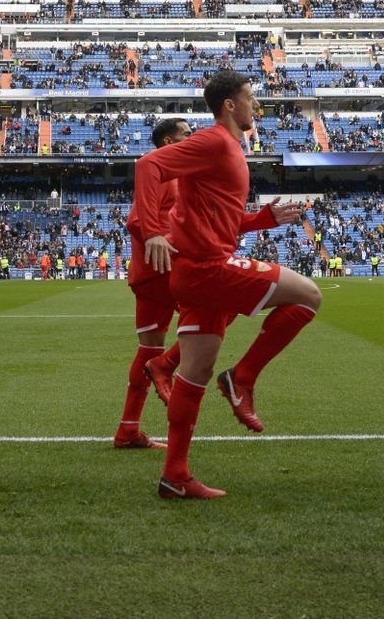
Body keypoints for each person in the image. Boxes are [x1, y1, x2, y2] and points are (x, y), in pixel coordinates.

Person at [135, 71, 315, 500]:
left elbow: (222, 220)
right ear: (230, 105)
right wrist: (152, 229)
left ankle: (174, 475)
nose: (258, 106)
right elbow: (148, 164)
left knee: (193, 373)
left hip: (197, 273)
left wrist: (265, 220)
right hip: (208, 267)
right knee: (309, 295)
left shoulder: (229, 150)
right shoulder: (216, 141)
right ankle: (242, 378)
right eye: (251, 98)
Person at [120, 116, 298, 450]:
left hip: (148, 273)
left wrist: (263, 219)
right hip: (164, 268)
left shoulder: (184, 178)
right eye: (187, 134)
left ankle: (128, 428)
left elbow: (212, 227)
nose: (194, 137)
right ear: (170, 144)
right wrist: (163, 237)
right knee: (225, 301)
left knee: (148, 348)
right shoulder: (168, 176)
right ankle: (167, 366)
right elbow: (137, 221)